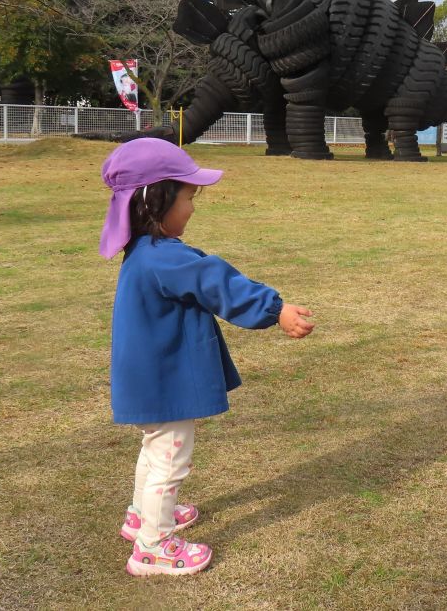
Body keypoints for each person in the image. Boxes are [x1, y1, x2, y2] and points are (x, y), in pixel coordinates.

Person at [99, 138, 315, 576]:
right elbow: (216, 281)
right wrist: (276, 310)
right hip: (164, 380)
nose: (193, 208)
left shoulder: (144, 253)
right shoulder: (166, 258)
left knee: (154, 449)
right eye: (188, 197)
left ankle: (141, 515)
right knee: (170, 459)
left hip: (147, 377)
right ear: (156, 200)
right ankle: (153, 548)